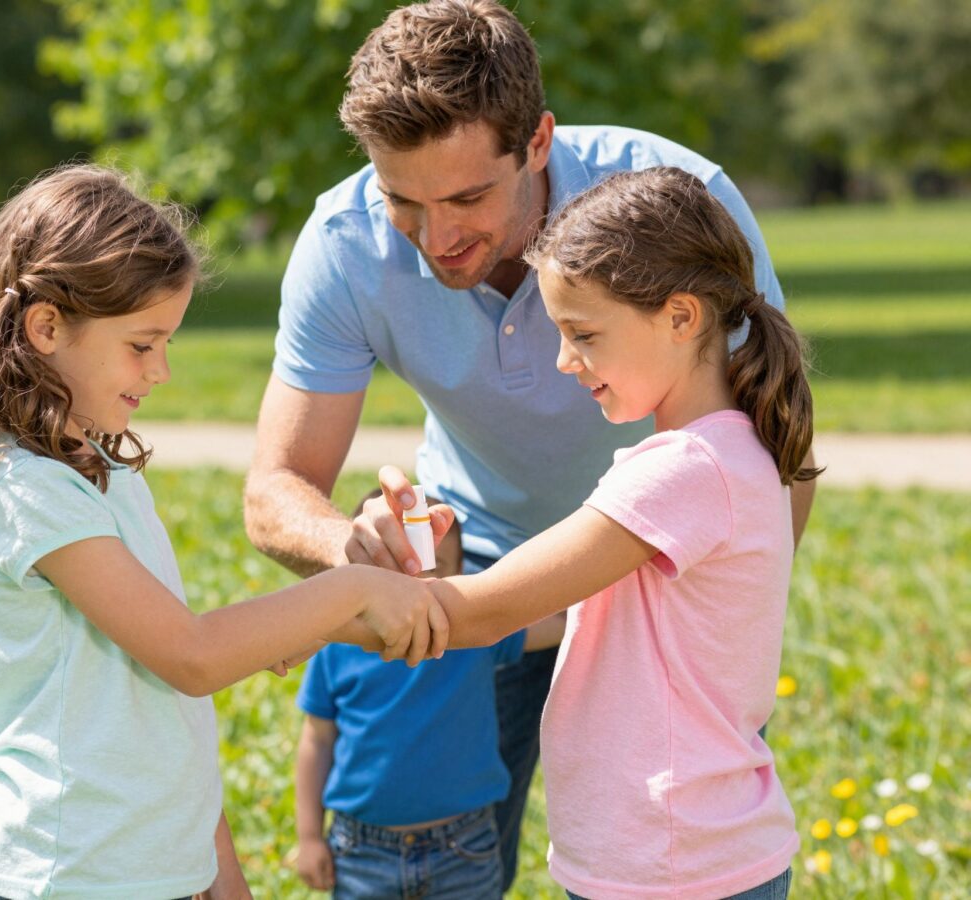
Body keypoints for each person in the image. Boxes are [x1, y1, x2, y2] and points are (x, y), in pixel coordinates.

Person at [243, 0, 817, 888]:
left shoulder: (669, 206)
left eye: (469, 197)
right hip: (487, 566)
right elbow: (276, 485)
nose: (437, 239)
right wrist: (355, 554)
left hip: (657, 594)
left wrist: (717, 618)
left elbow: (775, 445)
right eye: (403, 200)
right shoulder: (343, 244)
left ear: (538, 141)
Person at [0, 165, 448, 900]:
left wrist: (213, 861)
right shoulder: (27, 489)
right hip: (69, 876)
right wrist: (353, 588)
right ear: (46, 328)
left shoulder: (101, 466)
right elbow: (192, 657)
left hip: (150, 868)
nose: (162, 369)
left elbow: (168, 693)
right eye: (142, 344)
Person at [425, 165, 820, 898]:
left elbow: (486, 609)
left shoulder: (684, 472)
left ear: (680, 317)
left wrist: (322, 619)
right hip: (671, 859)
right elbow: (573, 614)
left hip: (675, 868)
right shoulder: (712, 458)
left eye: (584, 334)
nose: (565, 360)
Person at [294, 611, 565, 899]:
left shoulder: (473, 631)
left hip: (464, 851)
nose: (420, 576)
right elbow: (317, 741)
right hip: (361, 854)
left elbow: (561, 624)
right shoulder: (337, 645)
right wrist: (309, 837)